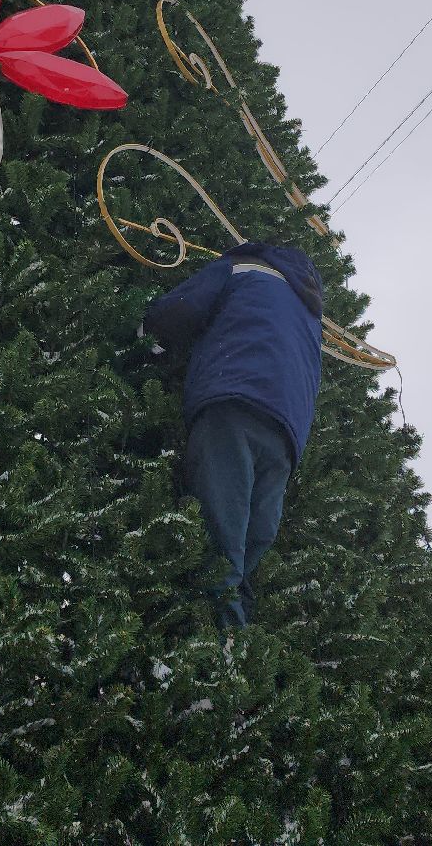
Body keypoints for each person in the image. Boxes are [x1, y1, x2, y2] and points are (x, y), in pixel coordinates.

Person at [144, 240, 324, 627]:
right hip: (286, 432)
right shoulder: (309, 310)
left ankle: (217, 636)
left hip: (234, 399)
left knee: (219, 528)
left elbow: (180, 309)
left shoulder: (242, 267)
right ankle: (236, 627)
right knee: (256, 533)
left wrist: (145, 332)